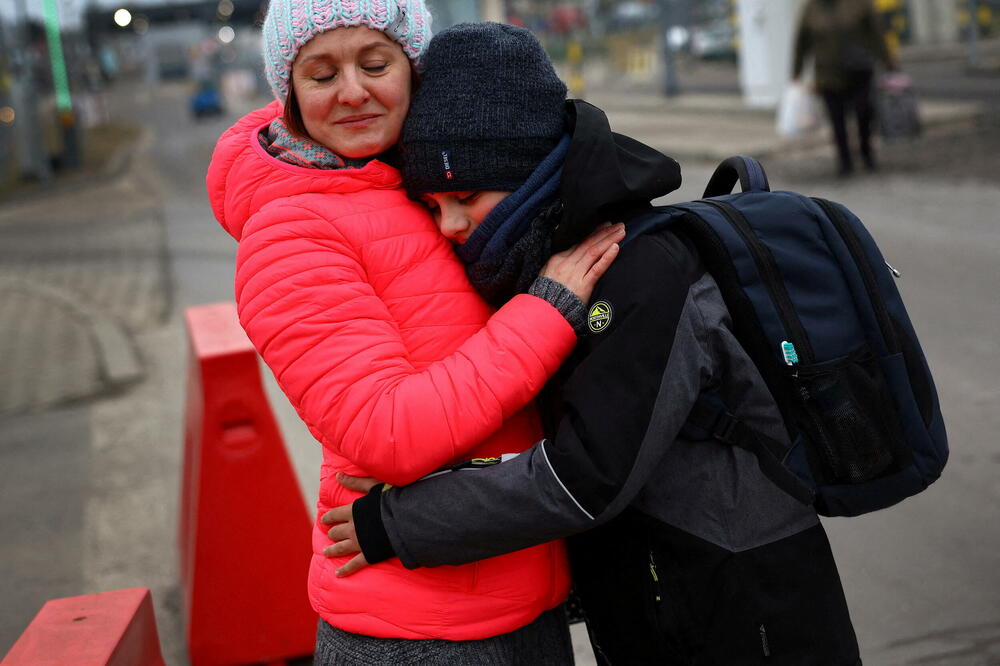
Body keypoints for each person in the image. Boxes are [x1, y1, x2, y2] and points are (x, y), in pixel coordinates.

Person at [323, 22, 862, 665]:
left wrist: (400, 522)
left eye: (465, 198)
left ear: (530, 175)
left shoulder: (642, 271)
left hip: (744, 607)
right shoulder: (552, 263)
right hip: (665, 596)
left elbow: (585, 475)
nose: (451, 227)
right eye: (433, 205)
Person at [205, 2, 625, 662]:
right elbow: (386, 431)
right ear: (287, 93)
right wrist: (548, 310)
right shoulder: (289, 233)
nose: (353, 91)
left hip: (518, 595)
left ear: (412, 70)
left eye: (375, 64)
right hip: (419, 628)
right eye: (320, 75)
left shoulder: (424, 183)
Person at [793, 0, 895, 177]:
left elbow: (876, 32)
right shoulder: (811, 8)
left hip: (859, 70)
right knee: (837, 119)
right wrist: (796, 71)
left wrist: (887, 60)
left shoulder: (859, 4)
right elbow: (802, 40)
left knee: (864, 112)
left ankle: (866, 151)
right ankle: (844, 160)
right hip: (827, 74)